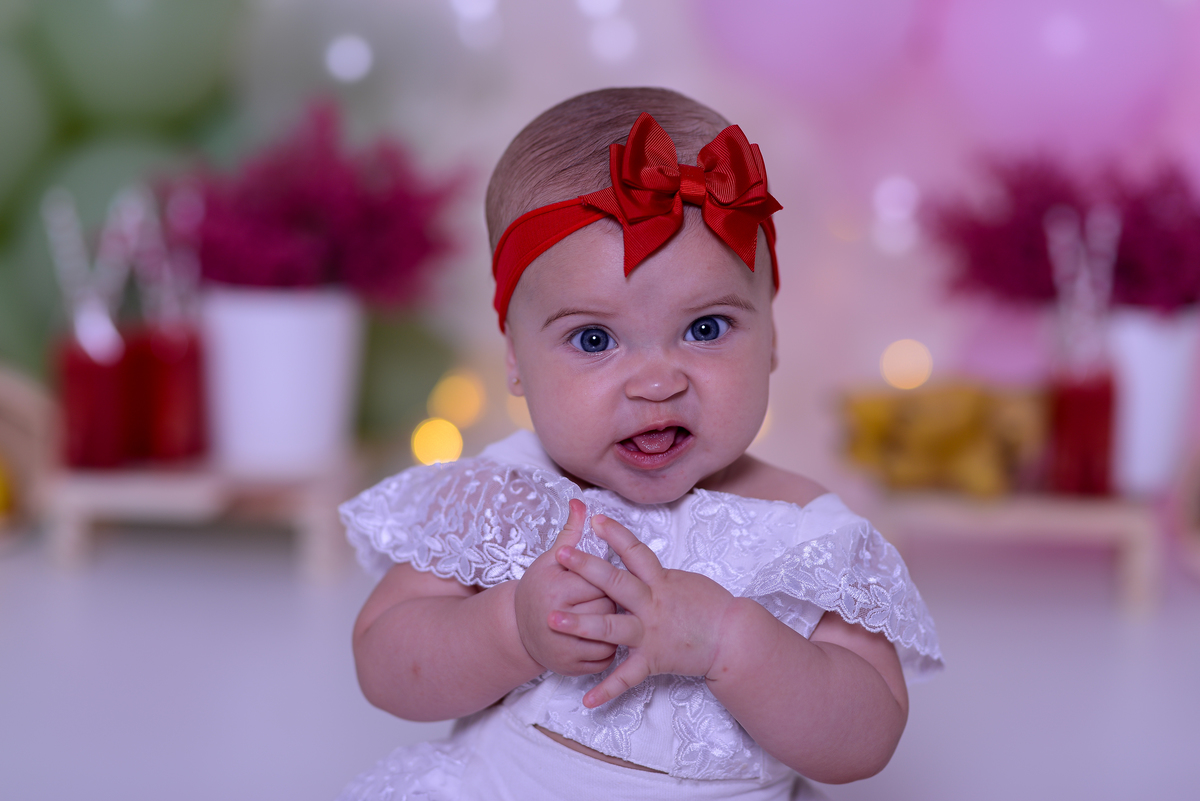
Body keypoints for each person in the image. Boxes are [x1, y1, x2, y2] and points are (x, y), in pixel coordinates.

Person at [337, 87, 942, 801]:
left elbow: (867, 736)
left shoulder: (807, 534)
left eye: (706, 328)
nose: (658, 382)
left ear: (772, 335)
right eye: (594, 339)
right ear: (515, 360)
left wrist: (731, 641)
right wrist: (510, 629)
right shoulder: (503, 494)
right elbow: (384, 659)